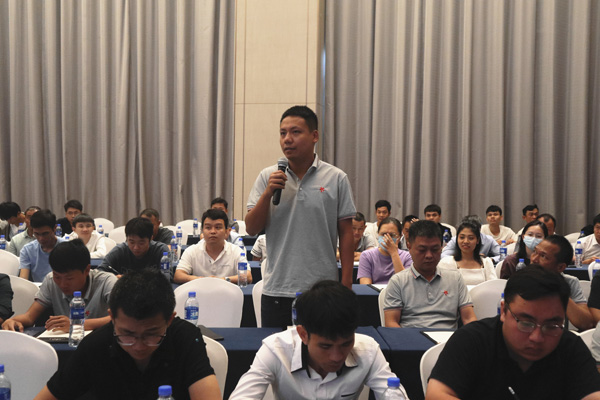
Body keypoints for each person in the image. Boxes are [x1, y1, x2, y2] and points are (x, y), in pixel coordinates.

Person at [34, 268, 221, 400]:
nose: (138, 346)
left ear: (169, 320)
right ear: (112, 318)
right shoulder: (95, 346)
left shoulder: (185, 338)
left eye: (151, 334)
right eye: (127, 334)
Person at [245, 105, 356, 328]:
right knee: (277, 349)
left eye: (295, 132)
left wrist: (346, 284)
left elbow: (346, 233)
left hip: (322, 291)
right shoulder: (267, 176)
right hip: (277, 288)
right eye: (283, 133)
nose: (287, 139)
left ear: (314, 136)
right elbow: (251, 228)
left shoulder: (336, 178)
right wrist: (268, 193)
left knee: (322, 348)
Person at [426, 265, 600, 399]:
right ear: (503, 311)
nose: (537, 337)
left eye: (551, 325)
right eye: (526, 323)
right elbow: (437, 394)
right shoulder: (472, 340)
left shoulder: (570, 347)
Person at [230, 280, 407, 399]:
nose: (337, 356)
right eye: (325, 346)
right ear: (303, 334)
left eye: (346, 344)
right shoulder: (275, 350)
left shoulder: (368, 350)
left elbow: (393, 393)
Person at [2, 239, 116, 332]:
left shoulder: (106, 281)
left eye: (69, 278)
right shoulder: (51, 280)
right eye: (57, 277)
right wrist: (13, 321)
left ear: (86, 270)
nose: (62, 284)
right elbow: (30, 317)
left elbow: (120, 318)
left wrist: (77, 324)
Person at [383, 220, 476, 329]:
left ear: (441, 247)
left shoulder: (455, 278)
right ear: (409, 246)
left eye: (435, 249)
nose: (429, 255)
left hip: (448, 337)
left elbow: (469, 318)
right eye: (422, 250)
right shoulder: (398, 281)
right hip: (411, 336)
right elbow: (391, 323)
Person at [531, 235, 594, 331]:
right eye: (535, 252)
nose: (534, 259)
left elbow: (586, 323)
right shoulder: (519, 279)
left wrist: (558, 288)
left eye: (543, 256)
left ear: (560, 267)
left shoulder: (569, 282)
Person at [174, 209, 251, 284]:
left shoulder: (236, 251)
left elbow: (248, 277)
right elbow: (178, 275)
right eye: (208, 227)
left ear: (227, 231)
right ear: (202, 231)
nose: (213, 231)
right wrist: (201, 280)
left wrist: (223, 280)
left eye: (218, 227)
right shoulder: (191, 251)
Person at [98, 217, 169, 276]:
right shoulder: (119, 250)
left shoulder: (161, 251)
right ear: (126, 239)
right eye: (131, 242)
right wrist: (113, 278)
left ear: (151, 239)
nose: (136, 247)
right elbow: (99, 273)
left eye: (141, 243)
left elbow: (167, 278)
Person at [357, 217, 413, 284]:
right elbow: (365, 284)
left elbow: (405, 283)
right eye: (383, 234)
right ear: (378, 234)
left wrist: (394, 253)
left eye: (392, 235)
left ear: (400, 236)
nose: (387, 238)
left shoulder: (408, 256)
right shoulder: (367, 255)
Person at [19, 209, 66, 282]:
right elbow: (23, 279)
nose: (41, 238)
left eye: (45, 233)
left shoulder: (67, 248)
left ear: (54, 228)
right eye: (36, 234)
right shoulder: (27, 250)